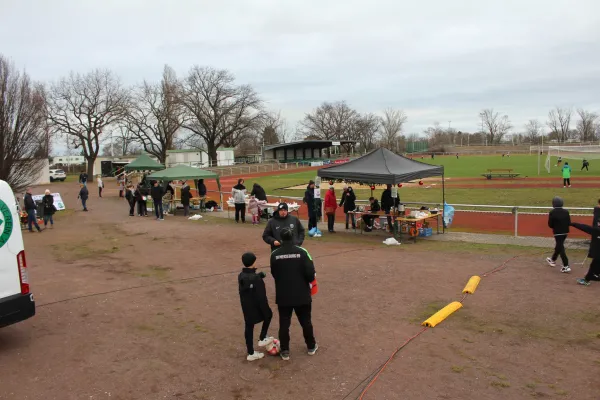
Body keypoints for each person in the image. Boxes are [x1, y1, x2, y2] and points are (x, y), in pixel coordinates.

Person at [270, 227, 318, 361]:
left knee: (284, 323)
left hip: (283, 294)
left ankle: (284, 350)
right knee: (306, 322)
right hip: (301, 294)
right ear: (293, 238)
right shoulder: (303, 252)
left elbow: (274, 273)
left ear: (281, 238)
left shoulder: (274, 254)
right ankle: (311, 346)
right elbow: (310, 273)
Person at [238, 252, 273, 361]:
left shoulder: (241, 275)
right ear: (253, 262)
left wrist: (258, 275)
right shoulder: (256, 279)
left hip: (246, 306)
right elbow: (261, 296)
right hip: (256, 305)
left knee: (249, 326)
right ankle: (262, 337)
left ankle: (250, 352)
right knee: (269, 315)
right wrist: (265, 309)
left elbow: (249, 279)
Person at [570, 218, 600, 285]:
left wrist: (573, 224)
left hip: (598, 254)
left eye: (598, 222)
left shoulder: (597, 230)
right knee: (595, 266)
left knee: (593, 266)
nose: (597, 224)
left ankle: (586, 280)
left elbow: (585, 227)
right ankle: (595, 276)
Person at [546, 196, 570, 273]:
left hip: (557, 233)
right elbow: (569, 222)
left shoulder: (552, 212)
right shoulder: (566, 211)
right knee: (559, 246)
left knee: (560, 248)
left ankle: (566, 266)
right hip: (565, 232)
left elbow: (550, 224)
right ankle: (553, 259)